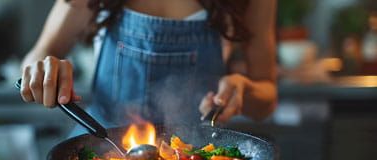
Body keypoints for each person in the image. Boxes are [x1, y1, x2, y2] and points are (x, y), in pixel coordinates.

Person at [19, 0, 277, 136]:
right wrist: (40, 70)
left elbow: (266, 102)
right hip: (100, 154)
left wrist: (243, 90)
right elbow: (38, 55)